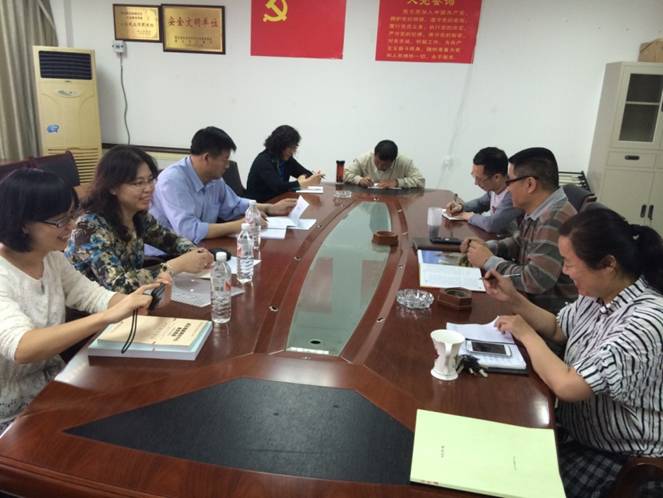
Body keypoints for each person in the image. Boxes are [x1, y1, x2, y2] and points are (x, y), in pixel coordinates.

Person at [484, 208, 663, 498]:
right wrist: (514, 299)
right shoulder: (599, 294)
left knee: (508, 482)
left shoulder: (645, 320)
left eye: (569, 263)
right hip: (578, 432)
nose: (564, 272)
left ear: (608, 264)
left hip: (620, 457)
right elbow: (559, 328)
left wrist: (526, 334)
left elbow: (569, 385)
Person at [0, 169, 170, 434]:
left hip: (52, 388)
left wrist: (141, 300)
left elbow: (93, 295)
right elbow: (22, 348)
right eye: (60, 221)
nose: (71, 226)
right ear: (22, 223)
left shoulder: (52, 258)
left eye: (72, 215)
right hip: (9, 414)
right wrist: (105, 317)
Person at [66, 146, 213, 293]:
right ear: (112, 187)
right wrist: (175, 266)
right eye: (138, 183)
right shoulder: (89, 229)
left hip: (130, 300)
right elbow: (118, 284)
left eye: (150, 180)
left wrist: (197, 253)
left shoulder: (138, 215)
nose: (148, 188)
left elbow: (171, 241)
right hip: (89, 305)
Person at [461, 147, 577, 313]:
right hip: (527, 300)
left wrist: (488, 260)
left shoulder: (554, 218)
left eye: (510, 182)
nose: (507, 189)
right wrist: (488, 247)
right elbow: (519, 241)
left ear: (530, 184)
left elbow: (535, 279)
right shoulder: (541, 208)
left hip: (547, 313)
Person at [151, 126, 297, 240]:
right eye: (225, 160)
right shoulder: (172, 181)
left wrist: (270, 208)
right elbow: (189, 231)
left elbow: (235, 205)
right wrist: (241, 224)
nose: (227, 166)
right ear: (207, 158)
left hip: (202, 247)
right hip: (166, 257)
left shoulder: (214, 179)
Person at [445, 147, 522, 234]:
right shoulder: (495, 189)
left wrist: (469, 216)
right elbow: (480, 203)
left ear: (497, 177)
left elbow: (492, 225)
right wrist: (461, 207)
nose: (475, 183)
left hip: (510, 240)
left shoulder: (513, 194)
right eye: (474, 176)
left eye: (479, 179)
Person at [246, 124, 324, 202]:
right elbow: (278, 187)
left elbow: (305, 173)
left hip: (278, 200)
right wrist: (301, 183)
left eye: (295, 147)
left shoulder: (287, 159)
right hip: (260, 204)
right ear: (279, 146)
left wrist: (312, 177)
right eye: (291, 147)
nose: (293, 151)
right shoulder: (263, 161)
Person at [343, 140, 425, 189]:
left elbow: (420, 181)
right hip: (367, 199)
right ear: (374, 154)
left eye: (385, 165)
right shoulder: (365, 158)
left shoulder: (404, 162)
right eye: (377, 162)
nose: (379, 167)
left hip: (395, 200)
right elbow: (344, 174)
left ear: (393, 160)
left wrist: (397, 182)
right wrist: (359, 180)